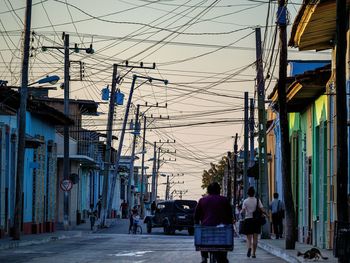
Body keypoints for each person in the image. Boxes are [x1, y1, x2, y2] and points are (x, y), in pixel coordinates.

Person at [194, 182, 233, 263]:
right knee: (223, 254)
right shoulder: (224, 200)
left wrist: (197, 224)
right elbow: (230, 216)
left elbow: (196, 217)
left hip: (206, 232)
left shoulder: (202, 201)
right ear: (219, 190)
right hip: (222, 233)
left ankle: (204, 258)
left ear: (208, 191)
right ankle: (223, 258)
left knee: (202, 237)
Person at [241, 186, 266, 259]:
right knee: (255, 238)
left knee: (249, 238)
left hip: (248, 220)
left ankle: (249, 248)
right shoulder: (257, 200)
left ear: (248, 193)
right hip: (256, 221)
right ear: (254, 193)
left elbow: (243, 210)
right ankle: (254, 253)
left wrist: (241, 212)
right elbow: (262, 209)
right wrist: (266, 214)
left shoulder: (245, 201)